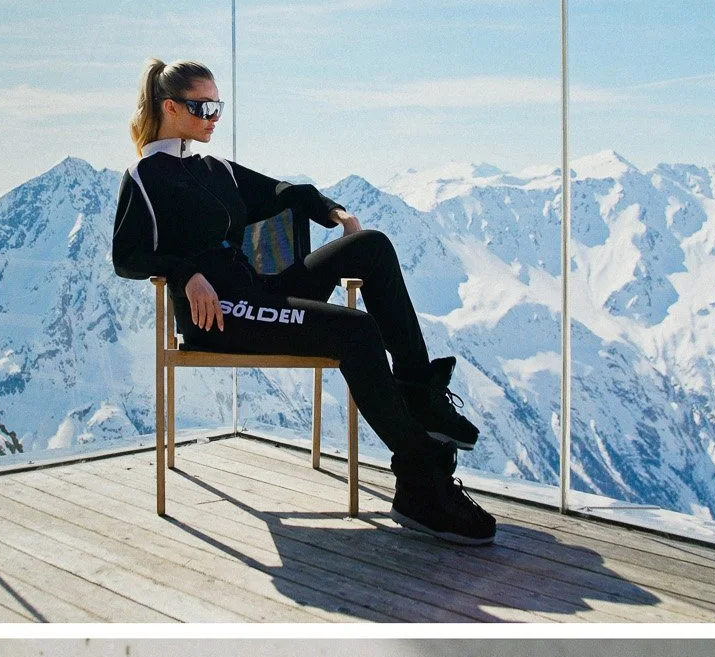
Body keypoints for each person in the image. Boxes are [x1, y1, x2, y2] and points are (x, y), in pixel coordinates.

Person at [112, 57, 496, 546]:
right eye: (202, 107)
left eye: (217, 106)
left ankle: (421, 395)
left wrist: (335, 213)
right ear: (170, 107)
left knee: (372, 246)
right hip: (220, 316)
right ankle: (420, 481)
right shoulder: (146, 176)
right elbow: (126, 256)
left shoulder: (215, 169)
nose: (213, 117)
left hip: (257, 296)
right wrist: (185, 272)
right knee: (356, 331)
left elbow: (284, 191)